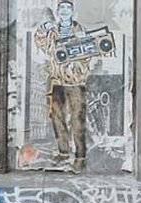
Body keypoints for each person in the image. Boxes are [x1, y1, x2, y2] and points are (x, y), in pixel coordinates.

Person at [34, 0, 90, 174]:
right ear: (57, 11)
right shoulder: (52, 32)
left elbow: (87, 53)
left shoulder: (80, 31)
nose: (64, 11)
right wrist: (45, 26)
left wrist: (75, 66)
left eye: (68, 8)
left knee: (77, 120)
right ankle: (63, 152)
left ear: (73, 12)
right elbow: (39, 40)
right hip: (56, 81)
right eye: (61, 8)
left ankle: (80, 157)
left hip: (75, 83)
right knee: (57, 117)